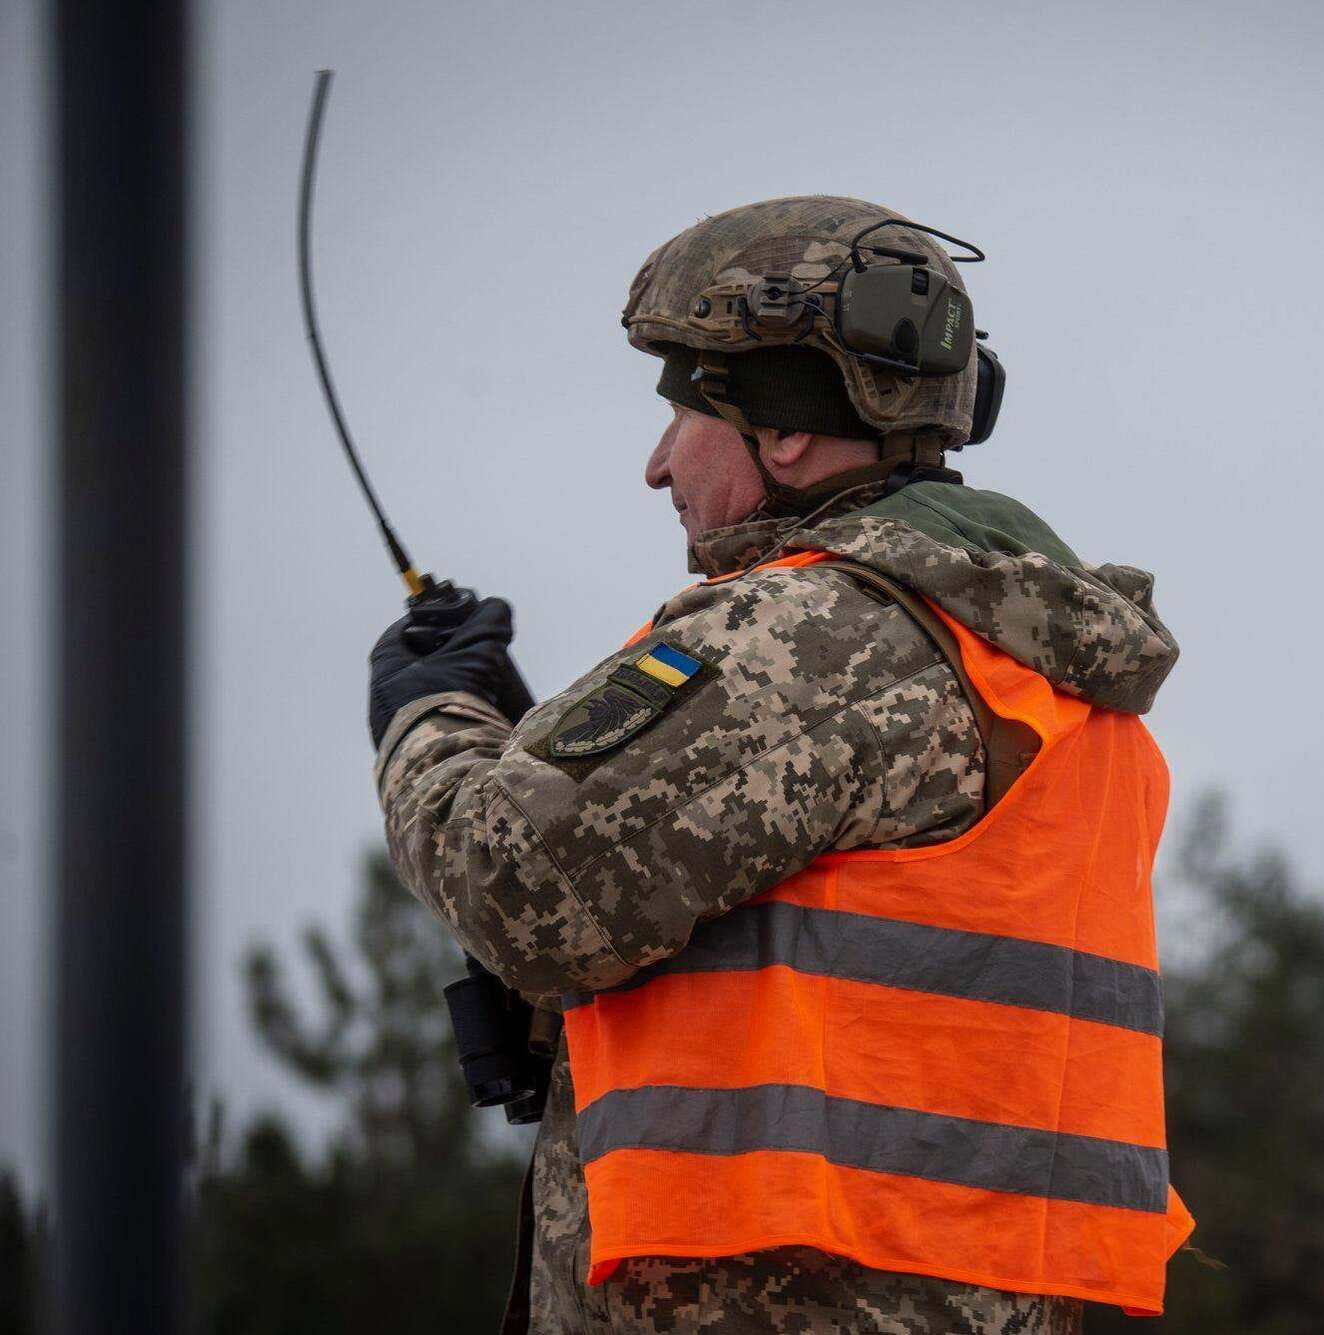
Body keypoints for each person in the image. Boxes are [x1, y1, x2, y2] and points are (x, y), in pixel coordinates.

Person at [366, 195, 1193, 1334]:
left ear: (785, 427)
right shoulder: (1034, 666)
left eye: (682, 414)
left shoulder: (808, 639)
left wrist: (428, 716)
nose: (659, 466)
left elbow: (521, 885)